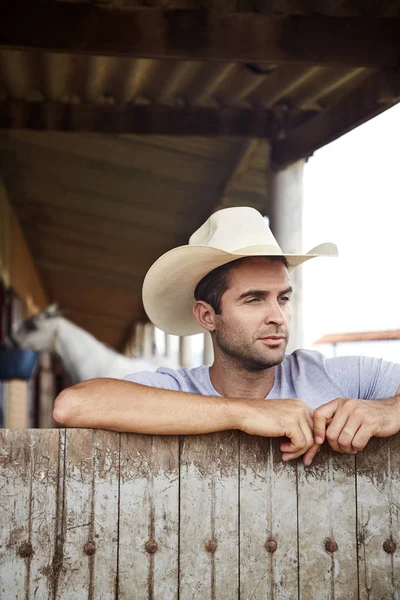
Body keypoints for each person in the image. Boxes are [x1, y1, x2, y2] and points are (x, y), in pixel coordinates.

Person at [53, 207, 400, 466]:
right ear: (207, 316)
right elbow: (72, 405)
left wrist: (388, 409)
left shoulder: (335, 376)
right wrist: (244, 413)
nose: (278, 317)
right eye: (254, 299)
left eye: (283, 298)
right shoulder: (179, 390)